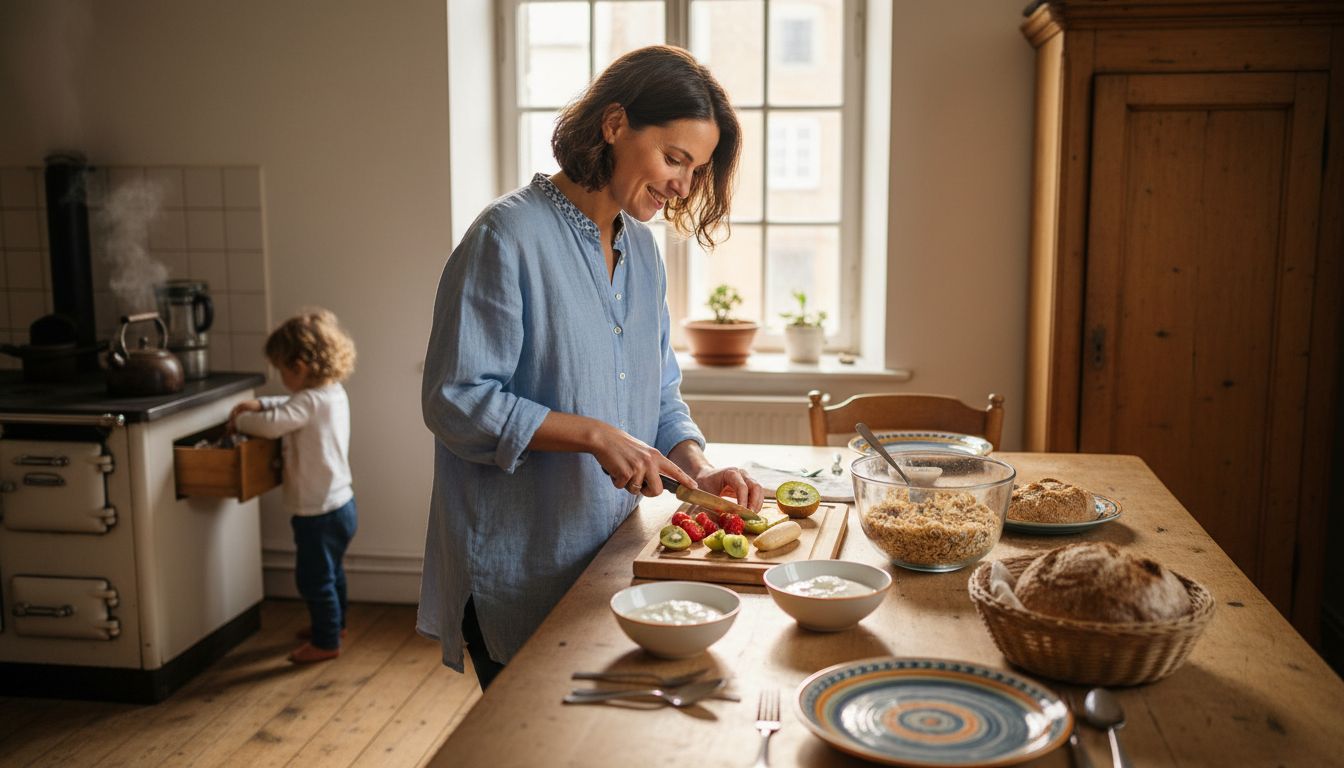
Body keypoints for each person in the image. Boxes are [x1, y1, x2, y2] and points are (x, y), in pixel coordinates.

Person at [418, 45, 763, 689]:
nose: (684, 186)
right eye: (674, 159)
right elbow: (455, 401)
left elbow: (658, 392)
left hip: (609, 558)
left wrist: (698, 466)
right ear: (613, 125)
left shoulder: (643, 251)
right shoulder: (506, 236)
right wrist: (591, 433)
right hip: (520, 566)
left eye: (697, 169)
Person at [230, 308, 357, 664]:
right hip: (342, 505)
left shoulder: (308, 401)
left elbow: (273, 424)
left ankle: (326, 640)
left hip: (316, 512)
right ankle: (336, 624)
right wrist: (262, 402)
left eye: (282, 369)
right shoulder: (332, 392)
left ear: (299, 366)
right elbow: (291, 407)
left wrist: (244, 418)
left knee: (313, 579)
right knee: (333, 573)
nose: (281, 377)